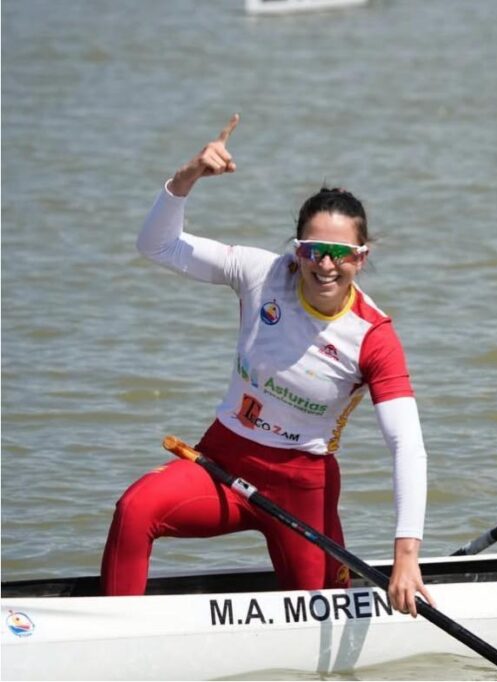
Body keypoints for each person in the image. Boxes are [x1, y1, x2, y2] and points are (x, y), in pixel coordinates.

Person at [101, 115, 433, 615]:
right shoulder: (260, 274)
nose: (325, 264)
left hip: (302, 488)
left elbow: (406, 444)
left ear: (360, 258)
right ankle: (112, 639)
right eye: (312, 250)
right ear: (296, 251)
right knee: (135, 509)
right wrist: (185, 178)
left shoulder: (374, 338)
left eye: (340, 254)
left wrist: (406, 556)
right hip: (222, 464)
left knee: (319, 609)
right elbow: (157, 246)